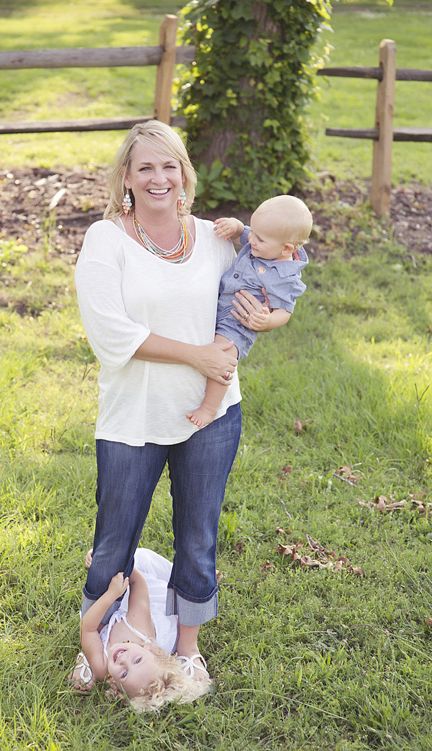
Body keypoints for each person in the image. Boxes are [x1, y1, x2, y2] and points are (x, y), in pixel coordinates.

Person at [71, 120, 267, 689]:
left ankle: (187, 648)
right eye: (146, 167)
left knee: (199, 535)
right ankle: (101, 638)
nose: (160, 178)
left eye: (170, 166)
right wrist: (197, 356)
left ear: (185, 174)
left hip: (212, 414)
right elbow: (111, 335)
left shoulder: (214, 238)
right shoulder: (106, 239)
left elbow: (255, 297)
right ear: (127, 178)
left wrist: (263, 320)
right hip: (134, 417)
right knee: (115, 535)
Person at [187, 195, 312, 429]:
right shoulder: (265, 241)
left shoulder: (286, 277)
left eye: (258, 238)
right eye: (252, 231)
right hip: (219, 299)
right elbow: (242, 234)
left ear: (286, 248)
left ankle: (208, 409)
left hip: (238, 321)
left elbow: (284, 311)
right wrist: (235, 226)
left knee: (223, 356)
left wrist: (267, 322)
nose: (250, 239)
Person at [74, 547, 208, 711]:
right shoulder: (139, 628)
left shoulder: (103, 669)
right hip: (152, 585)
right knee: (166, 572)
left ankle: (86, 657)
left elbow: (87, 628)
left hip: (121, 601)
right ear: (151, 649)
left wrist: (111, 594)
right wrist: (110, 562)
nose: (123, 660)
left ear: (115, 685)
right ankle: (189, 573)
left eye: (124, 673)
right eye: (137, 660)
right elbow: (138, 582)